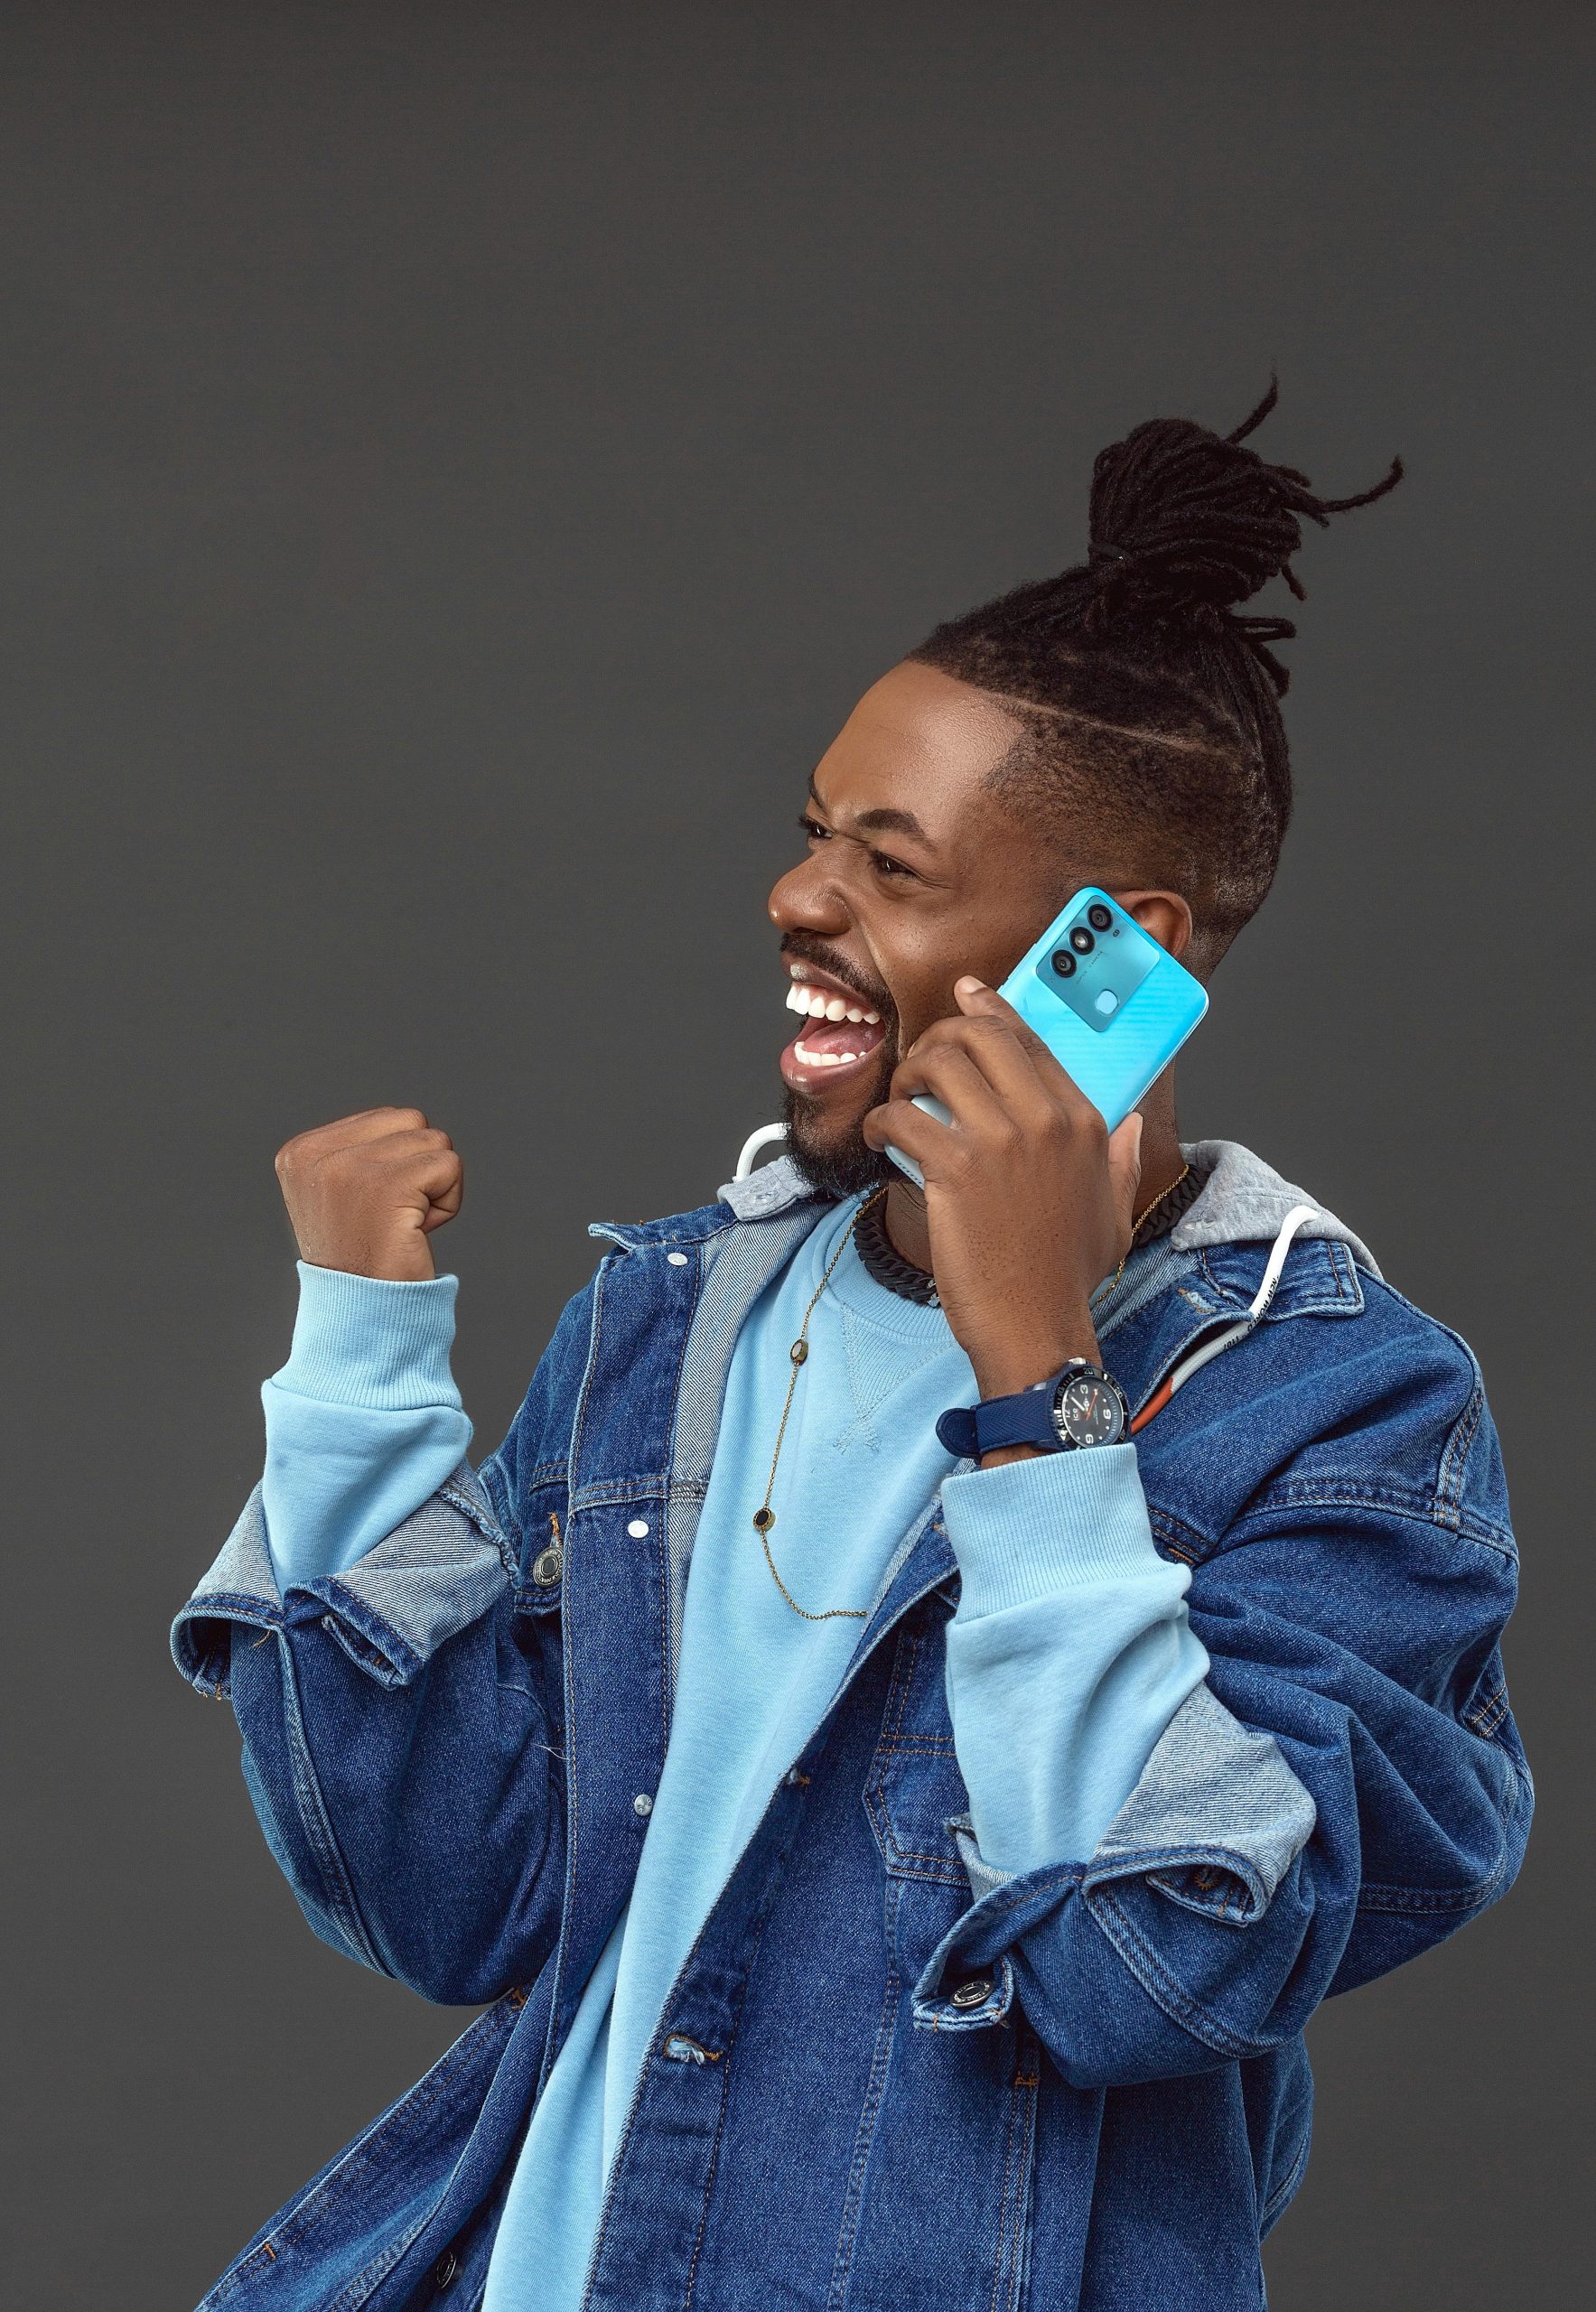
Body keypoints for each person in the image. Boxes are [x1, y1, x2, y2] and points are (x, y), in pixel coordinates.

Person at [173, 385, 1531, 2311]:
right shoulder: (678, 1315)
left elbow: (1155, 1968)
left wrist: (1039, 1379)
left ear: (1112, 951)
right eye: (815, 837)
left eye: (887, 867)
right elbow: (450, 1895)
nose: (793, 900)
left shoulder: (1343, 1411)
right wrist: (360, 1382)